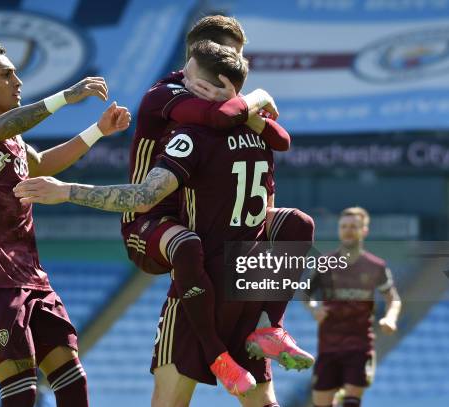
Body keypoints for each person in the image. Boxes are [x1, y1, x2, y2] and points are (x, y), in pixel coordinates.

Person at [15, 39, 287, 407]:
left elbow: (144, 197)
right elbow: (278, 152)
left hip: (201, 278)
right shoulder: (260, 133)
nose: (180, 80)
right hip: (251, 277)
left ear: (212, 83)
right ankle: (272, 325)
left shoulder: (192, 134)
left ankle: (218, 350)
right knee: (262, 400)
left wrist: (66, 191)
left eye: (189, 75)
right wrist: (254, 99)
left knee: (170, 399)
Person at [0, 43, 130, 407]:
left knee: (72, 377)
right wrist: (66, 96)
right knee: (22, 386)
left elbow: (41, 163)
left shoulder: (11, 136)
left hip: (31, 273)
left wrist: (97, 130)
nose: (18, 81)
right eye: (6, 74)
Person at [307, 207, 402, 407]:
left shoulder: (376, 266)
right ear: (339, 230)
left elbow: (393, 298)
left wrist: (390, 318)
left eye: (353, 226)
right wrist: (315, 308)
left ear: (364, 230)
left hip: (359, 346)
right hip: (328, 346)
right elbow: (306, 293)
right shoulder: (325, 263)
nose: (348, 230)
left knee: (351, 402)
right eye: (344, 226)